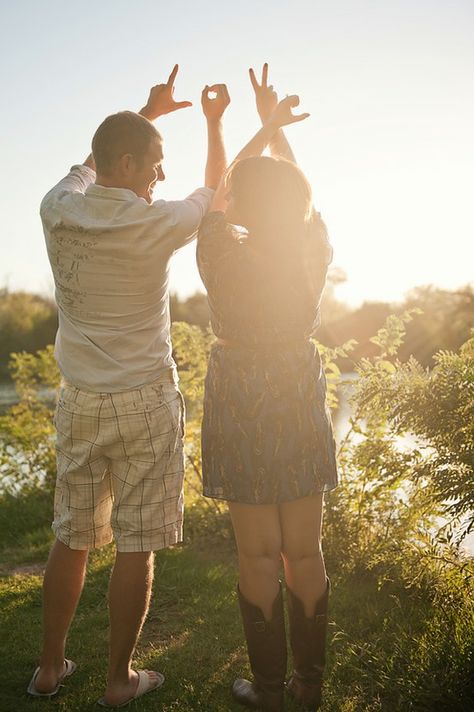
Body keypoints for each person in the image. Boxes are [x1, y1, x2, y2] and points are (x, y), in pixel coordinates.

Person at [28, 66, 230, 707]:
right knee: (136, 542)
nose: (159, 176)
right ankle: (120, 680)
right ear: (127, 160)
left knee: (72, 534)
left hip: (81, 401)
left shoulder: (56, 208)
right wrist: (215, 122)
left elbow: (88, 164)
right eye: (153, 162)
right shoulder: (159, 222)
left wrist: (145, 114)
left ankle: (50, 669)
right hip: (145, 398)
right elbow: (215, 190)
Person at [196, 65, 337, 712]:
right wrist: (279, 131)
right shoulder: (314, 246)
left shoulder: (219, 249)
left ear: (246, 206)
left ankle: (273, 692)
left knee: (258, 554)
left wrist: (249, 127)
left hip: (240, 393)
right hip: (298, 389)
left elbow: (223, 189)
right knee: (303, 552)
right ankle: (309, 687)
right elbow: (298, 196)